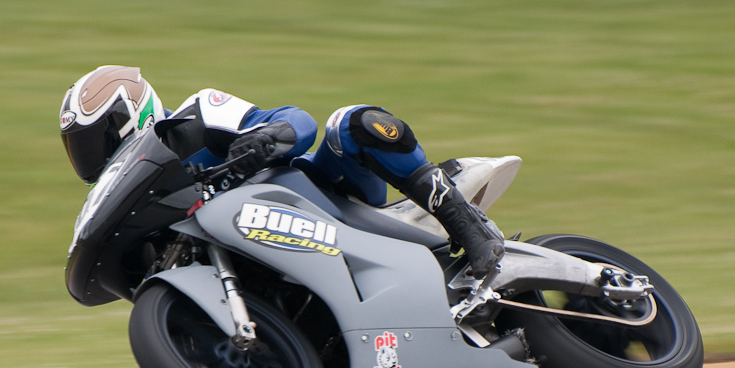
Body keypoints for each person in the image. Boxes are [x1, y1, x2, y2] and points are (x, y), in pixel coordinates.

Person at [59, 66, 504, 278]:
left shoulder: (197, 114)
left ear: (129, 113)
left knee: (353, 123)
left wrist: (265, 138)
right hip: (258, 253)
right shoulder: (129, 194)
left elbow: (297, 120)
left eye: (95, 140)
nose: (90, 157)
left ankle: (467, 226)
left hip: (322, 198)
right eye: (78, 148)